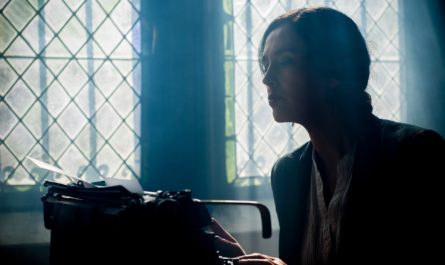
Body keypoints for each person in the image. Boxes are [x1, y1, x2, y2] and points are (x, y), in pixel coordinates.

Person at [210, 7, 445, 265]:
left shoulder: (413, 153)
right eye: (265, 65)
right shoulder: (287, 173)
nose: (266, 78)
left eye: (284, 61)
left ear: (332, 71)